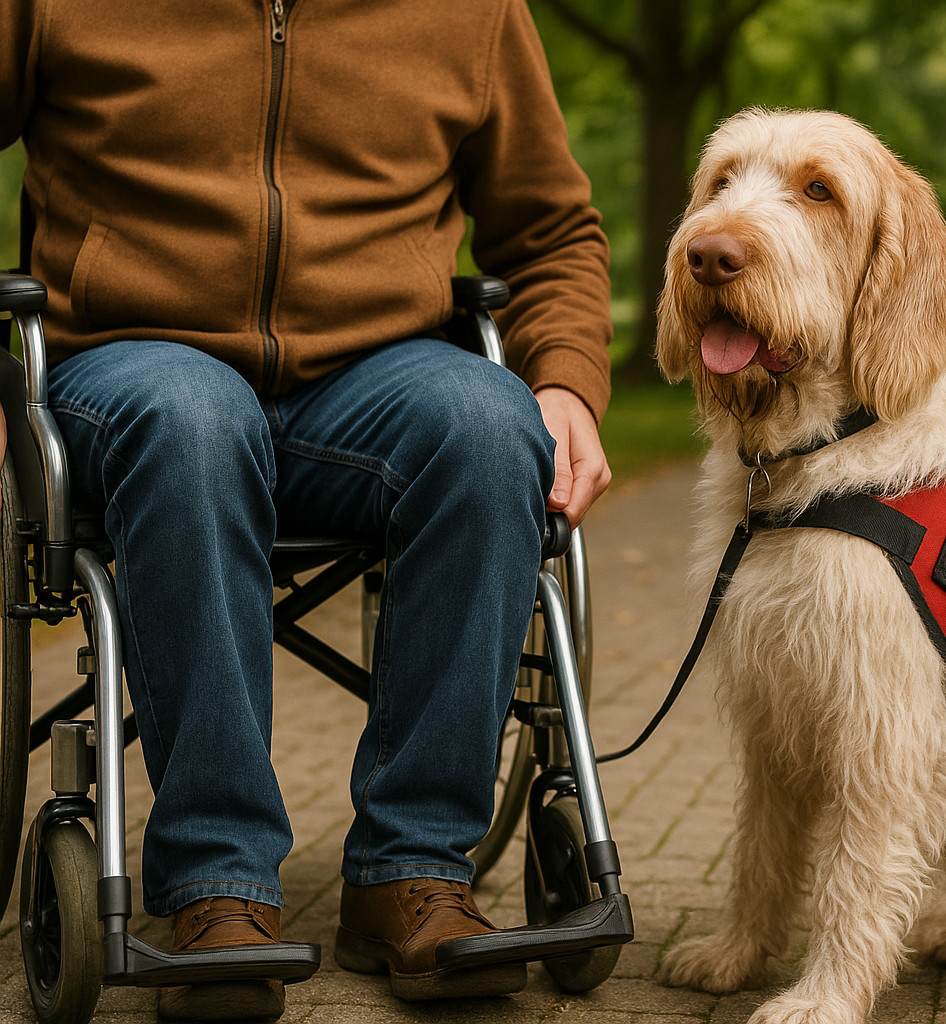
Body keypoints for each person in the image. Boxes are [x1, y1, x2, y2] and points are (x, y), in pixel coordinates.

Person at [1, 0, 613, 1017]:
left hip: (375, 372)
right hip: (137, 360)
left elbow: (551, 228)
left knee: (486, 420)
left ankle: (413, 870)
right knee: (193, 419)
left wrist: (564, 382)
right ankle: (217, 884)